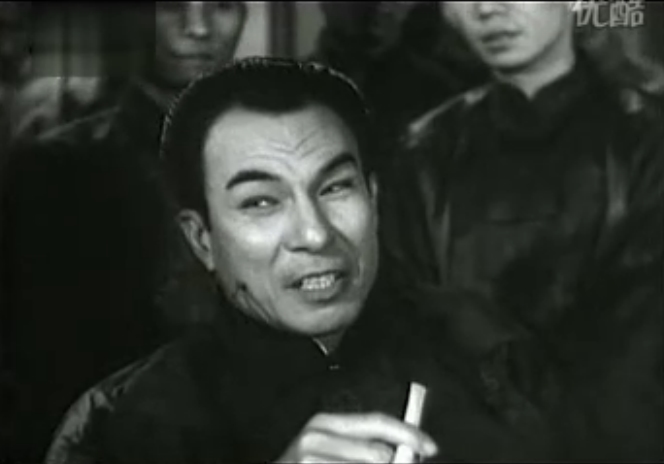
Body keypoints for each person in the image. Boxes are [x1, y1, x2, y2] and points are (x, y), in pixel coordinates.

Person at [43, 58, 556, 464]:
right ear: (201, 240)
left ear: (374, 198)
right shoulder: (123, 424)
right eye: (261, 202)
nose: (314, 233)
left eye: (334, 187)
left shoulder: (490, 357)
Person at [379, 2, 663, 460]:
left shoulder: (649, 141)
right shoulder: (423, 155)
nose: (487, 9)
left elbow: (635, 357)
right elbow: (403, 336)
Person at [0, 2, 247, 461]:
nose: (197, 27)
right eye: (172, 5)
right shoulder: (58, 169)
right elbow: (42, 372)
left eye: (222, 5)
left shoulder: (280, 158)